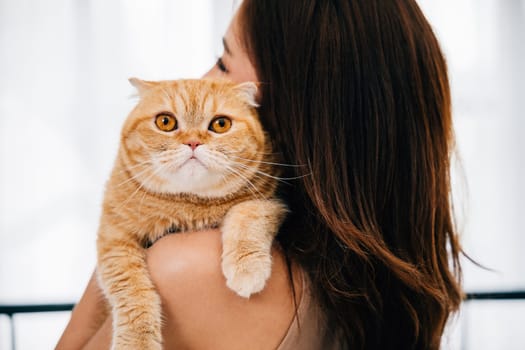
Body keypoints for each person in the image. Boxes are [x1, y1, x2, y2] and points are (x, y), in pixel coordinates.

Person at [57, 0, 463, 349]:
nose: (202, 81)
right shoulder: (393, 288)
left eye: (222, 63)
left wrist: (130, 208)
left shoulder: (188, 270)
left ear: (289, 116)